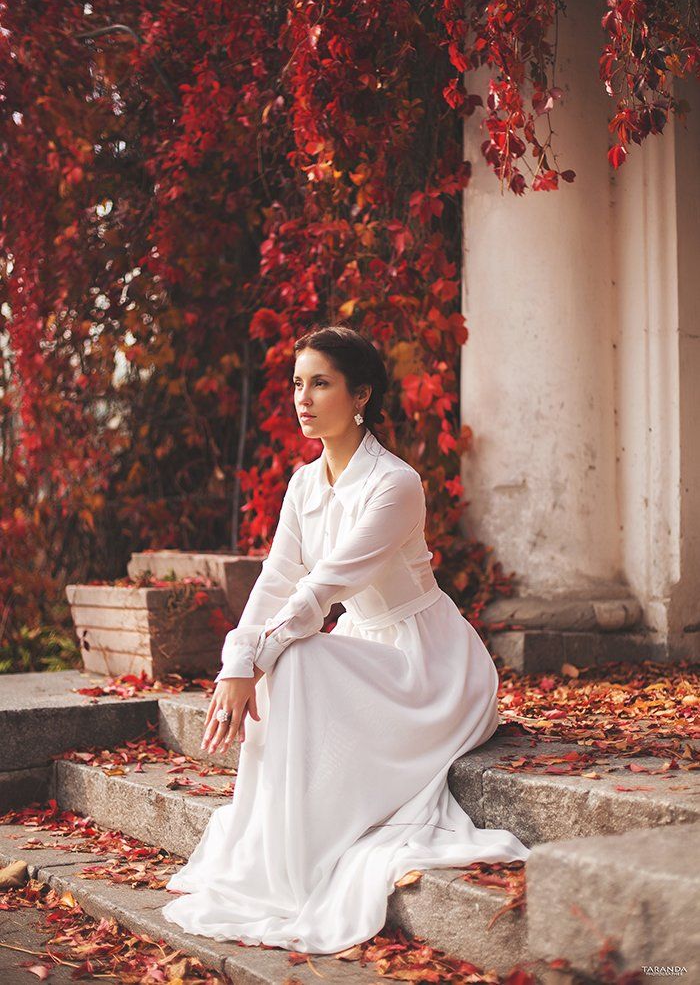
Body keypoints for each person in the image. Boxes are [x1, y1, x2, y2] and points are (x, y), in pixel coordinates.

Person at [162, 325, 531, 953]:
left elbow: (320, 591)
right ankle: (283, 843)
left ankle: (304, 850)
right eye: (297, 384)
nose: (303, 398)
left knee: (297, 654)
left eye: (321, 383)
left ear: (360, 394)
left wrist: (248, 661)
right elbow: (278, 579)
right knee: (289, 655)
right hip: (365, 642)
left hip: (427, 664)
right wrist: (238, 657)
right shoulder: (304, 484)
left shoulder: (394, 483)